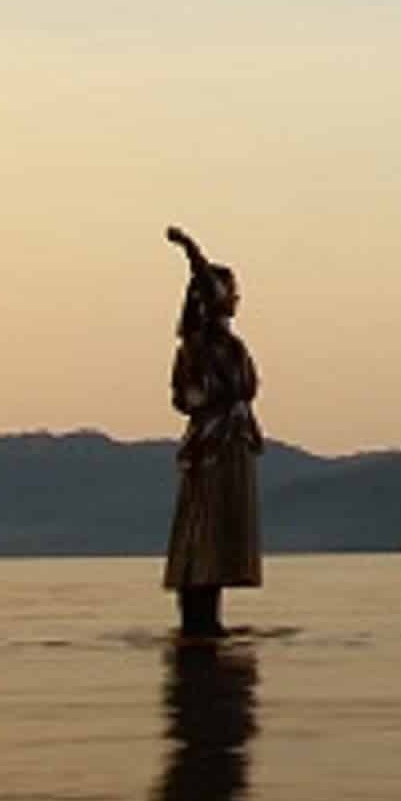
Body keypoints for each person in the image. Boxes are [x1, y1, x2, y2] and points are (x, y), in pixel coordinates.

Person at [162, 225, 262, 634]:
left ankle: (209, 618)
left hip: (232, 443)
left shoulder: (227, 346)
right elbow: (185, 397)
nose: (237, 298)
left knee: (219, 536)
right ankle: (197, 617)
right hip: (212, 447)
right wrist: (192, 253)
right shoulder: (200, 346)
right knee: (202, 532)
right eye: (231, 290)